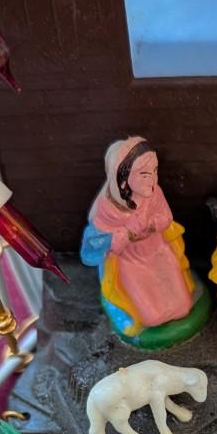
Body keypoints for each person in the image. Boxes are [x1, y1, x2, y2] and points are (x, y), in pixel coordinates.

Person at [80, 137, 194, 338]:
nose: (153, 180)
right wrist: (128, 233)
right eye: (144, 174)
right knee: (152, 317)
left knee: (182, 306)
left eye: (155, 171)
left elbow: (166, 217)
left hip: (157, 251)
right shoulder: (106, 209)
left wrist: (151, 225)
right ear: (122, 177)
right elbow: (98, 245)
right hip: (130, 261)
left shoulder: (155, 193)